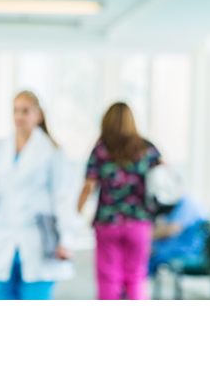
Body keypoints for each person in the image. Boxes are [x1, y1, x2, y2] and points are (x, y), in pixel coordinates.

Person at [0, 91, 76, 300]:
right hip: (1, 237)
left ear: (38, 115)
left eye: (25, 111)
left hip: (37, 239)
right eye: (16, 110)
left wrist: (67, 238)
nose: (19, 116)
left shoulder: (51, 150)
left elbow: (63, 196)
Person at [77, 102, 163, 300]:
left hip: (108, 222)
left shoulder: (100, 150)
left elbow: (88, 186)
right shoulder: (147, 148)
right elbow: (166, 179)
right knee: (135, 277)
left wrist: (75, 212)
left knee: (108, 278)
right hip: (139, 222)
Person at [149, 191, 210, 276]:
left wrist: (141, 236)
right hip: (175, 252)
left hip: (187, 254)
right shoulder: (181, 205)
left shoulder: (188, 203)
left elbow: (171, 228)